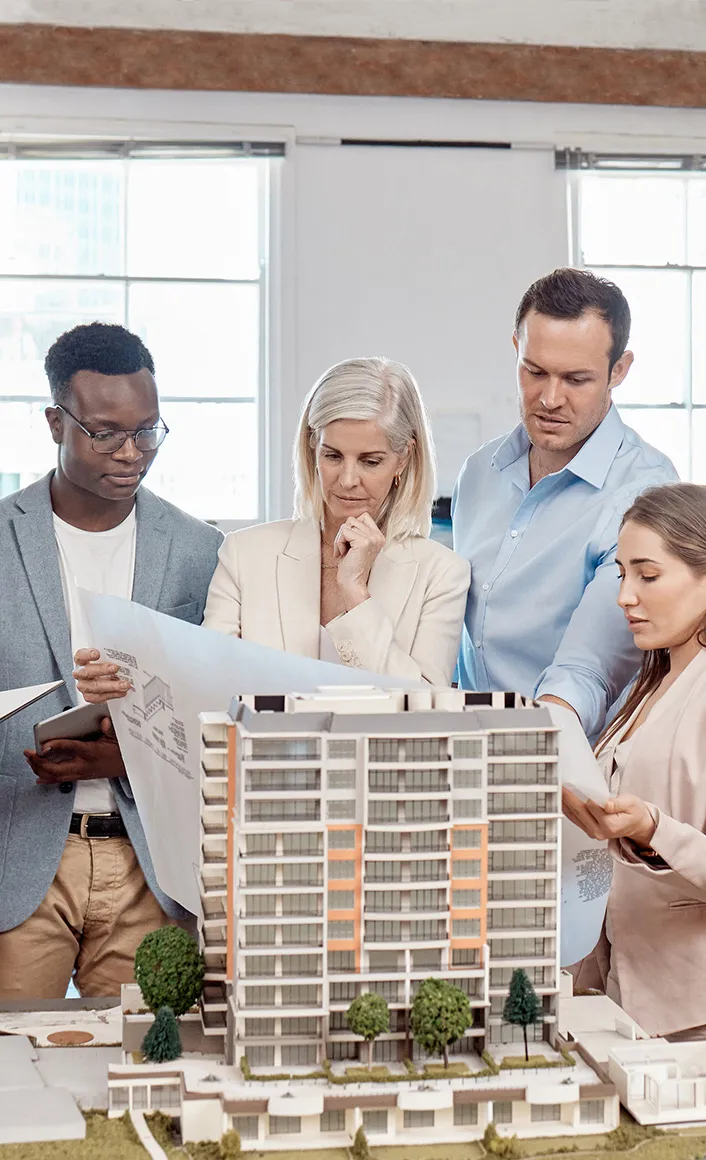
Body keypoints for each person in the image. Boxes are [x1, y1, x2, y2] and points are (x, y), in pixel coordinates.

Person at [0, 323, 221, 999]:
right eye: (105, 433)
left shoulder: (198, 550)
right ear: (54, 422)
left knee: (135, 1069)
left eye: (148, 431)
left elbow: (218, 712)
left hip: (146, 869)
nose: (132, 454)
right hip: (21, 858)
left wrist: (125, 755)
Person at [76, 356, 470, 699]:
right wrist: (120, 681)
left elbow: (423, 708)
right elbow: (206, 685)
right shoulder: (245, 554)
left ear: (403, 459)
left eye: (370, 461)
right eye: (332, 455)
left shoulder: (442, 574)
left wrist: (356, 595)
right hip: (263, 778)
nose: (348, 479)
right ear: (312, 447)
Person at [452, 267, 678, 741]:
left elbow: (588, 670)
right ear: (516, 348)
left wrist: (529, 750)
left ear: (619, 370)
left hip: (569, 758)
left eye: (577, 379)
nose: (550, 399)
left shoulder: (643, 495)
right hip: (472, 753)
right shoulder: (478, 473)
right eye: (535, 372)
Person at [564, 483, 706, 1040]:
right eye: (622, 574)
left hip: (691, 1014)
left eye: (647, 576)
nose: (625, 596)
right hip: (622, 1001)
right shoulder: (648, 685)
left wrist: (651, 829)